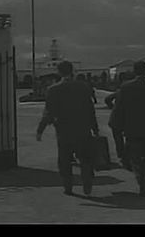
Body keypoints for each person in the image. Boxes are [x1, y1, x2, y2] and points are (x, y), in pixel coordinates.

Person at [36, 61, 99, 196]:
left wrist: (40, 130)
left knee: (64, 159)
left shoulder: (53, 89)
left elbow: (49, 112)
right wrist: (95, 128)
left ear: (59, 72)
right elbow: (90, 109)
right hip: (83, 129)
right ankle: (87, 180)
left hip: (64, 130)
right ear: (72, 71)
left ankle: (68, 186)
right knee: (85, 158)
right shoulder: (83, 87)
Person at [112, 61, 145, 196]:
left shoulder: (126, 87)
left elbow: (120, 108)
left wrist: (116, 124)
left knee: (135, 156)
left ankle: (141, 178)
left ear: (134, 72)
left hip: (131, 127)